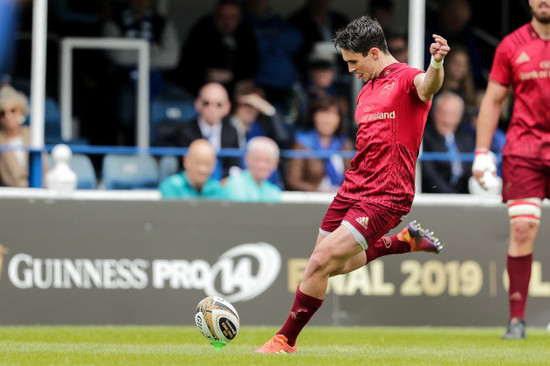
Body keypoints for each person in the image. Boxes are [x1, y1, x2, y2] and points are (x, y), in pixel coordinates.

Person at [255, 16, 448, 353]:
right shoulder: (365, 91)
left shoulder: (407, 80)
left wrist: (437, 62)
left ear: (374, 53)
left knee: (317, 265)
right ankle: (403, 243)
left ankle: (285, 340)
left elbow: (429, 85)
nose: (349, 70)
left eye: (353, 62)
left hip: (387, 195)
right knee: (331, 264)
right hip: (351, 188)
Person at [472, 0, 550, 340]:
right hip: (524, 148)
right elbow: (492, 100)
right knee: (522, 228)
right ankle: (517, 320)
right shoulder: (511, 45)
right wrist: (481, 152)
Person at [102, 0, 180, 145]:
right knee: (125, 114)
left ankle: (158, 152)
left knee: (182, 104)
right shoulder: (114, 22)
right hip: (124, 82)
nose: (140, 2)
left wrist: (131, 48)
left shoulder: (161, 22)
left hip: (156, 82)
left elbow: (171, 59)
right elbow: (119, 56)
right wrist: (153, 49)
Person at [173, 0, 258, 96]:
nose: (227, 22)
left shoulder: (245, 33)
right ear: (215, 16)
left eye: (232, 17)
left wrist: (231, 76)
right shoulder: (203, 29)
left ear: (239, 18)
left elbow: (251, 66)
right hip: (199, 87)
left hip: (234, 90)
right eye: (222, 16)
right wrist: (208, 74)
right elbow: (188, 62)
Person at [171, 82, 241, 180]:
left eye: (219, 104)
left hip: (223, 186)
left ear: (227, 107)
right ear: (197, 104)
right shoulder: (184, 131)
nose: (212, 109)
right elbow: (183, 166)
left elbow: (233, 165)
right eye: (206, 103)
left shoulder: (231, 132)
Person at [285, 96, 354, 192]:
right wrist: (319, 191)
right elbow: (293, 180)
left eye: (333, 114)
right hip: (313, 201)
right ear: (313, 116)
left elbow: (354, 176)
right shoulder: (302, 143)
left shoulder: (344, 143)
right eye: (322, 113)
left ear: (340, 119)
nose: (327, 119)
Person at [421, 91, 475, 194]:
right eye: (443, 113)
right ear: (434, 113)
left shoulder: (466, 140)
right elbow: (430, 177)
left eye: (452, 115)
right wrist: (454, 199)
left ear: (459, 118)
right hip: (435, 199)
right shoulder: (424, 138)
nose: (447, 120)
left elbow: (470, 174)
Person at [0, 85, 48, 187]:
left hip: (39, 191)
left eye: (12, 110)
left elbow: (45, 168)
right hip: (12, 196)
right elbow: (6, 177)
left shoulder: (32, 134)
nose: (8, 116)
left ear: (21, 111)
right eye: (2, 113)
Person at [221, 136, 282, 202]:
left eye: (268, 161)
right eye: (257, 159)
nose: (262, 166)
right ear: (246, 159)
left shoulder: (273, 191)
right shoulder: (234, 184)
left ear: (276, 163)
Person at [159, 139, 224, 199]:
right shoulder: (171, 186)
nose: (202, 170)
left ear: (214, 165)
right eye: (198, 163)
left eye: (207, 164)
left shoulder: (217, 189)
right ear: (186, 160)